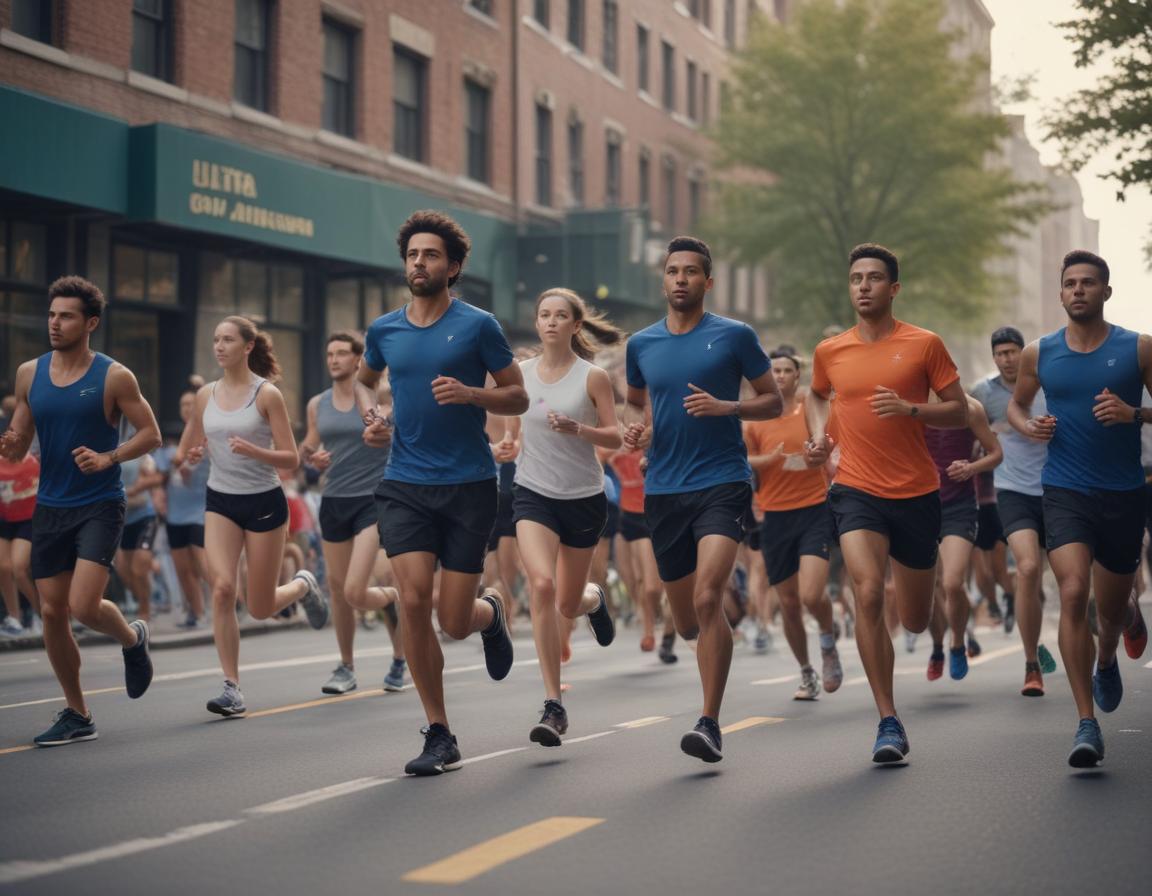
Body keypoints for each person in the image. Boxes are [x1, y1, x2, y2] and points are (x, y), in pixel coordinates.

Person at [355, 210, 528, 776]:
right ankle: (439, 732)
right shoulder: (384, 330)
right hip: (404, 483)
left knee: (454, 620)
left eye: (431, 256)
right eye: (412, 255)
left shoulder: (478, 326)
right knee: (411, 601)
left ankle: (490, 614)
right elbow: (364, 379)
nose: (419, 264)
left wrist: (473, 396)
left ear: (452, 267)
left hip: (469, 485)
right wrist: (373, 415)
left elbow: (518, 397)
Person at [804, 244, 968, 764]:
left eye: (875, 278)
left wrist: (912, 409)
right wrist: (818, 439)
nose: (864, 286)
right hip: (855, 490)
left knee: (916, 618)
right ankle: (888, 720)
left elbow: (960, 412)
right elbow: (816, 396)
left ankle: (930, 624)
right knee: (869, 594)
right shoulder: (830, 350)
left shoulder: (925, 345)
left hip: (917, 492)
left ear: (893, 288)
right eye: (856, 279)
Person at [624, 235, 781, 763]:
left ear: (707, 281)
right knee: (690, 620)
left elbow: (772, 400)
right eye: (673, 271)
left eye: (692, 271)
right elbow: (636, 408)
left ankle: (710, 721)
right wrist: (638, 433)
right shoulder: (641, 344)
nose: (681, 279)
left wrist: (726, 407)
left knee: (708, 597)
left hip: (722, 480)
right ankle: (713, 634)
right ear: (663, 279)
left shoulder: (735, 336)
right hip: (664, 489)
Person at [0, 276, 160, 746]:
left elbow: (151, 434)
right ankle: (78, 712)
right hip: (49, 505)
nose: (55, 322)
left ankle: (132, 638)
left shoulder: (114, 375)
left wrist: (110, 457)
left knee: (83, 606)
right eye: (51, 314)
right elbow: (20, 442)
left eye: (66, 315)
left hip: (99, 503)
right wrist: (9, 445)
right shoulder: (30, 372)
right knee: (52, 611)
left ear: (90, 323)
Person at [1007, 250, 1151, 767]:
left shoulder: (1138, 348)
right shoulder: (1038, 352)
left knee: (1109, 611)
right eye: (1070, 284)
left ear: (1105, 292)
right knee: (1072, 592)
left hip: (1123, 493)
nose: (1078, 291)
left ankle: (1108, 654)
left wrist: (1134, 412)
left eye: (1089, 283)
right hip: (1064, 489)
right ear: (1062, 292)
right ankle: (1085, 723)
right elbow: (1018, 404)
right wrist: (1029, 427)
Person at [175, 315, 329, 717]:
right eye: (215, 339)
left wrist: (254, 451)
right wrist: (192, 456)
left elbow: (292, 459)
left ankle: (302, 585)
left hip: (263, 502)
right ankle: (232, 687)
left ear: (247, 347)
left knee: (260, 608)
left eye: (228, 340)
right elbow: (189, 448)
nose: (219, 346)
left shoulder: (267, 395)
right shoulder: (206, 395)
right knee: (223, 589)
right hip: (221, 500)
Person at [499, 288, 622, 745]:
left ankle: (592, 600)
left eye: (560, 316)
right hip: (532, 493)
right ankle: (554, 704)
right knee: (542, 587)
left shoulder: (593, 378)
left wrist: (580, 429)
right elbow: (513, 430)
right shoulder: (520, 375)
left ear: (575, 325)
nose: (551, 322)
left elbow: (614, 437)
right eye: (544, 314)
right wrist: (508, 446)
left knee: (568, 602)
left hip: (583, 498)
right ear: (537, 323)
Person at [300, 331, 404, 696]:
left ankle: (394, 609)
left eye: (342, 353)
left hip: (374, 499)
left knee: (355, 589)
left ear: (359, 360)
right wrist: (311, 458)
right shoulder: (318, 404)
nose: (334, 359)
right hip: (334, 499)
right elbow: (308, 446)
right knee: (338, 588)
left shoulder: (382, 400)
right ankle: (347, 666)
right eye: (330, 353)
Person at [744, 348, 844, 700]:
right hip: (774, 516)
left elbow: (831, 443)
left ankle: (828, 640)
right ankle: (806, 672)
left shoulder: (810, 411)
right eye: (776, 371)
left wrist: (819, 450)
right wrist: (766, 460)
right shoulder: (755, 420)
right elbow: (740, 459)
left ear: (797, 377)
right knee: (787, 603)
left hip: (814, 509)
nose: (782, 375)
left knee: (811, 594)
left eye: (788, 370)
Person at [970, 326, 1058, 696]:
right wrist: (979, 446)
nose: (1007, 359)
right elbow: (971, 432)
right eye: (1000, 353)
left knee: (1071, 581)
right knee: (1026, 569)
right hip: (1012, 491)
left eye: (1012, 352)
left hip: (1058, 489)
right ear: (994, 357)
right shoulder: (984, 393)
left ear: (1024, 354)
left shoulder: (1049, 383)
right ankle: (1031, 664)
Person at [923, 395, 1002, 681]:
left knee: (953, 582)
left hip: (959, 505)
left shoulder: (970, 408)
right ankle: (936, 647)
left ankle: (957, 643)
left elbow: (996, 453)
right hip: (919, 506)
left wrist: (971, 468)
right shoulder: (912, 406)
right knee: (927, 590)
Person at [156, 388, 211, 629]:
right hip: (175, 513)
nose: (188, 409)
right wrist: (158, 494)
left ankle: (228, 600)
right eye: (184, 405)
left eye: (192, 404)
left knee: (202, 562)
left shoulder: (210, 437)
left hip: (202, 510)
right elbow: (161, 477)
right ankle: (196, 614)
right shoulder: (171, 446)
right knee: (182, 568)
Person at [115, 452, 162, 621]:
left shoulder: (142, 454)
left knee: (139, 567)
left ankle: (145, 609)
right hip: (123, 521)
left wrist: (138, 488)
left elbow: (157, 479)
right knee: (126, 572)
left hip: (144, 515)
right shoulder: (103, 449)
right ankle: (146, 599)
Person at [0, 449, 41, 635]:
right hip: (5, 518)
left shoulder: (32, 460)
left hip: (28, 518)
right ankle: (14, 618)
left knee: (19, 568)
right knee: (3, 567)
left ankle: (43, 615)